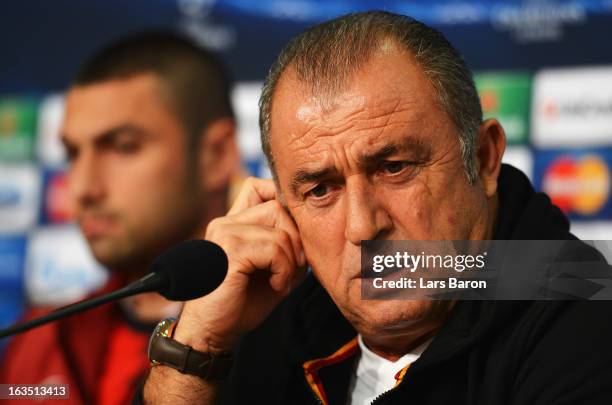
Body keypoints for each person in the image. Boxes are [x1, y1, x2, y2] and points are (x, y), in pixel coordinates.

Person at [141, 11, 612, 405]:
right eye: (321, 190)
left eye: (395, 167)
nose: (363, 227)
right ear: (284, 209)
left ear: (484, 158)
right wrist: (197, 349)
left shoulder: (586, 316)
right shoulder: (275, 330)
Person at [0, 32, 240, 405]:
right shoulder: (38, 338)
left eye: (123, 147)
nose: (81, 188)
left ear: (217, 155)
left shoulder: (299, 332)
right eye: (72, 153)